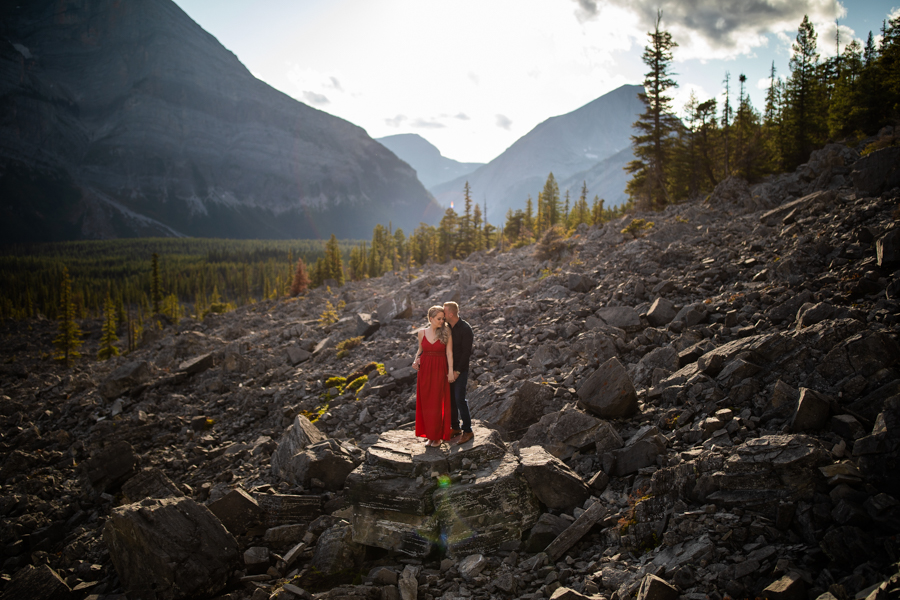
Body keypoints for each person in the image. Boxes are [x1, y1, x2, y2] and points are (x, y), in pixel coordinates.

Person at [412, 306, 455, 447]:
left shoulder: (446, 332)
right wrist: (415, 360)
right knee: (426, 403)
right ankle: (429, 435)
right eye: (439, 319)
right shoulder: (421, 333)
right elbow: (420, 349)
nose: (442, 321)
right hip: (424, 371)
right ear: (431, 319)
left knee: (437, 403)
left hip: (439, 369)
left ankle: (437, 437)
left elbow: (449, 353)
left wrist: (450, 371)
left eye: (443, 318)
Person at [443, 301, 474, 445]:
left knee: (459, 399)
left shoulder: (466, 329)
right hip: (448, 369)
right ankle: (455, 427)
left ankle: (467, 430)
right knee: (450, 399)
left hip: (460, 369)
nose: (442, 314)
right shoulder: (446, 327)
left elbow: (466, 353)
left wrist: (457, 371)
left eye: (444, 312)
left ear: (451, 313)